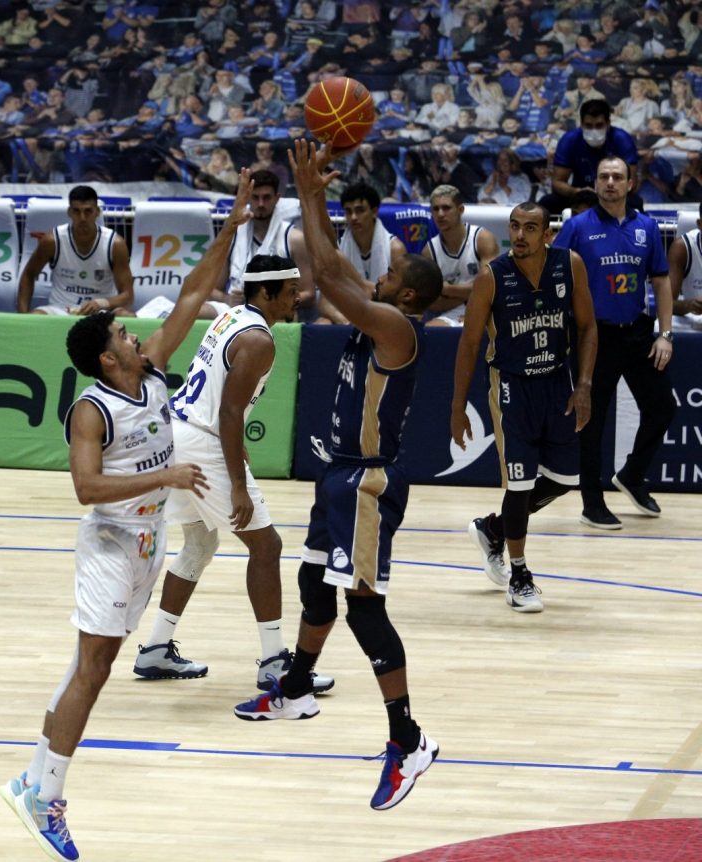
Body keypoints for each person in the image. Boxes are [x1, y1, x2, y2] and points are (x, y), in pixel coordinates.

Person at [0, 171, 256, 862]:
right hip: (111, 543)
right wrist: (164, 475)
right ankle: (46, 797)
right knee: (94, 669)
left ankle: (31, 779)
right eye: (122, 331)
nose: (135, 331)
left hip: (148, 539)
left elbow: (195, 291)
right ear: (108, 358)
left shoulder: (154, 371)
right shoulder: (93, 408)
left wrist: (230, 227)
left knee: (94, 662)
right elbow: (85, 488)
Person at [233, 140, 442, 812]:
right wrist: (315, 199)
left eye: (393, 270)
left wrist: (307, 191)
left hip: (367, 485)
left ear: (405, 294)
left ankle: (408, 739)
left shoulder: (396, 328)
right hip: (338, 476)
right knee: (311, 583)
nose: (381, 270)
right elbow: (332, 264)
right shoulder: (379, 306)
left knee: (364, 608)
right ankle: (296, 688)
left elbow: (323, 272)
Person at [134, 252, 333, 694]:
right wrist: (238, 485)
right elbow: (227, 410)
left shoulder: (231, 316)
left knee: (201, 543)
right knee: (267, 546)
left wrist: (233, 439)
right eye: (291, 290)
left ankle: (156, 648)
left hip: (179, 430)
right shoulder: (259, 340)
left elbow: (218, 392)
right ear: (265, 292)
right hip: (201, 439)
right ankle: (275, 662)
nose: (299, 297)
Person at [451, 202, 597, 613]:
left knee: (565, 479)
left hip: (557, 382)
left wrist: (584, 384)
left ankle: (493, 528)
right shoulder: (491, 276)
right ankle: (519, 575)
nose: (519, 235)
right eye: (514, 226)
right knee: (519, 484)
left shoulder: (570, 265)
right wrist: (457, 407)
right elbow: (469, 343)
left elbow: (587, 326)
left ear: (547, 234)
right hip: (512, 386)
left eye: (530, 228)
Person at [553, 156, 675, 529]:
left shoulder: (647, 227)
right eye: (604, 176)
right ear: (595, 183)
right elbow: (553, 275)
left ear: (629, 184)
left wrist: (665, 334)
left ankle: (632, 475)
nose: (610, 182)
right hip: (594, 336)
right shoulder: (576, 227)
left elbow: (661, 281)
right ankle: (592, 504)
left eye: (617, 177)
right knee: (591, 422)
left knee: (662, 408)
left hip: (637, 333)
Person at [204, 168, 315, 321]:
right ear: (248, 198)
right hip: (236, 306)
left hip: (276, 308)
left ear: (277, 198)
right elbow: (212, 289)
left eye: (266, 197)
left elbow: (309, 294)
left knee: (285, 317)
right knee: (198, 311)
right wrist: (226, 299)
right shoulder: (232, 235)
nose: (261, 204)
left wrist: (271, 302)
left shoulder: (295, 239)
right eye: (255, 197)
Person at [17, 185, 134, 316]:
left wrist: (101, 303)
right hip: (60, 309)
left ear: (97, 212)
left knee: (127, 316)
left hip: (100, 311)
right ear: (69, 212)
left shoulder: (115, 244)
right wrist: (22, 317)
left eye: (88, 211)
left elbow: (128, 295)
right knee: (35, 316)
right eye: (77, 211)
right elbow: (28, 275)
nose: (82, 218)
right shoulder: (52, 240)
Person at [318, 181, 406, 324]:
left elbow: (402, 300)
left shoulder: (395, 249)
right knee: (322, 324)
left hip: (385, 316)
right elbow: (324, 301)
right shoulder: (339, 249)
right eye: (348, 211)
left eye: (360, 210)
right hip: (348, 315)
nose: (353, 217)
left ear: (374, 211)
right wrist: (343, 321)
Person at [540, 99, 642, 215]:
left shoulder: (622, 140)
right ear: (581, 124)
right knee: (548, 202)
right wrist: (576, 191)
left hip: (613, 193)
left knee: (635, 202)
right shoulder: (570, 140)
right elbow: (557, 182)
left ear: (608, 124)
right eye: (588, 126)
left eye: (599, 125)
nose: (594, 130)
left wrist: (605, 192)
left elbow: (631, 183)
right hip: (579, 194)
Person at [422, 184, 500, 327]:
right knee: (429, 329)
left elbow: (490, 288)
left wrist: (446, 289)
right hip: (450, 311)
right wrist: (468, 294)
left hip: (486, 307)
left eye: (446, 208)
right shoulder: (429, 251)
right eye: (435, 209)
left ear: (460, 210)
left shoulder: (482, 239)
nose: (440, 214)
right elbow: (432, 303)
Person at [668, 202, 702, 331]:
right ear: (700, 224)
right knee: (661, 328)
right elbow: (666, 303)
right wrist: (689, 305)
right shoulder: (682, 248)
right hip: (696, 320)